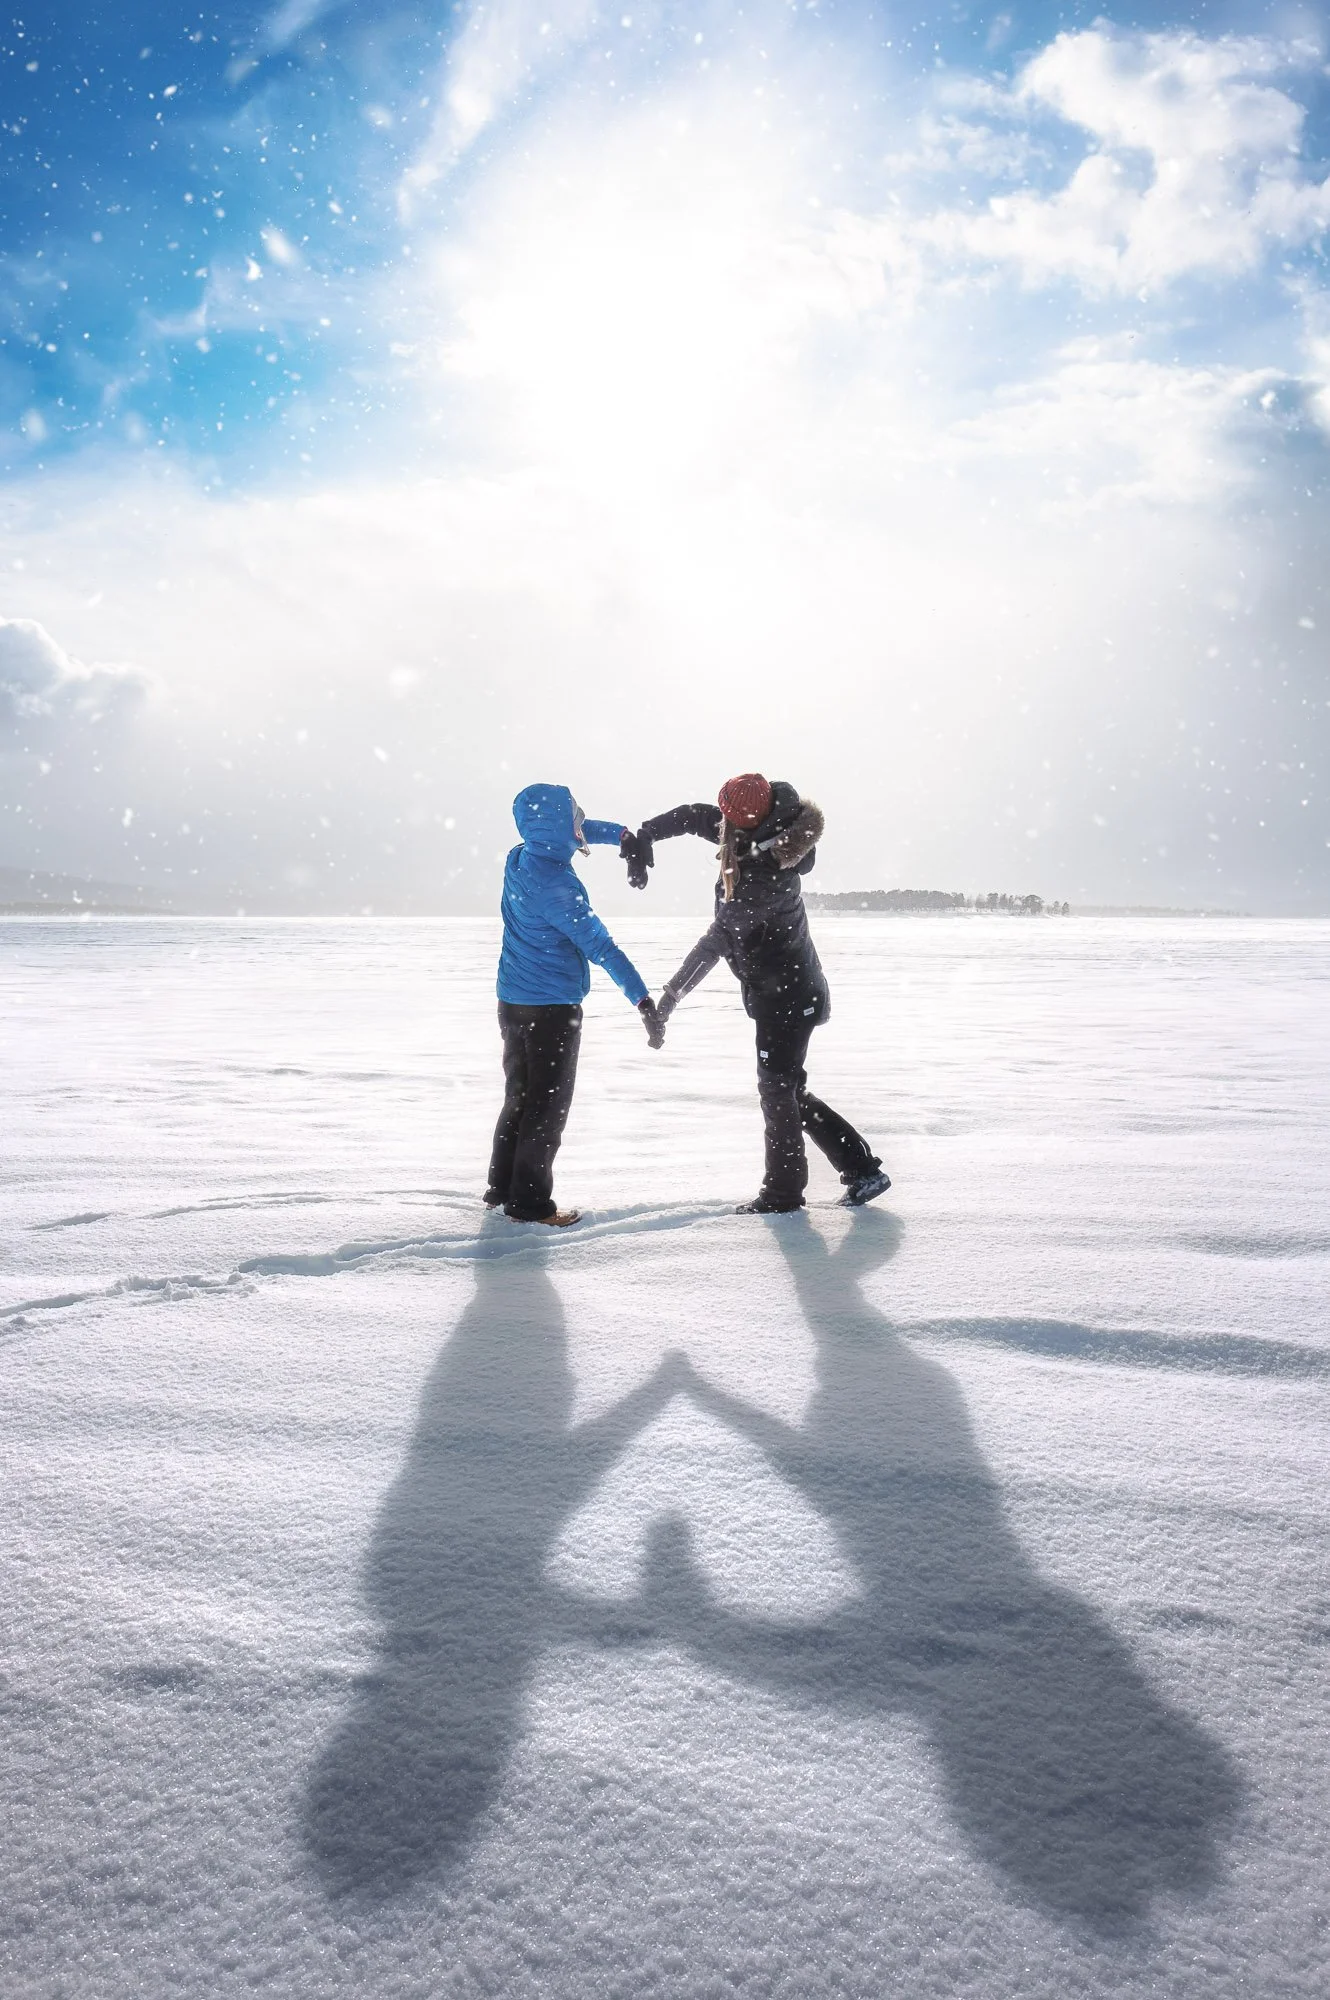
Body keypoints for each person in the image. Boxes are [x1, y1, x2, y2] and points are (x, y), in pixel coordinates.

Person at [621, 773, 889, 1214]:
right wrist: (645, 837)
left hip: (787, 999)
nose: (720, 829)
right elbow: (694, 817)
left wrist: (669, 998)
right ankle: (862, 1170)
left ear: (749, 821)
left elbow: (716, 941)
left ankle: (783, 1194)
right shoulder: (757, 828)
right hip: (788, 993)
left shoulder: (763, 879)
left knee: (777, 1089)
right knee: (788, 1088)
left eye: (728, 822)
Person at [488, 783, 664, 1227]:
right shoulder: (559, 890)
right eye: (576, 817)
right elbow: (602, 948)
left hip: (513, 1002)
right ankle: (529, 1204)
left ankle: (500, 1187)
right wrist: (643, 1000)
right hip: (551, 1011)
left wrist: (623, 836)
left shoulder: (520, 857)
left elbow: (571, 833)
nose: (583, 823)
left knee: (519, 1097)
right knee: (547, 1109)